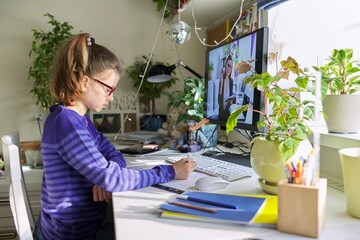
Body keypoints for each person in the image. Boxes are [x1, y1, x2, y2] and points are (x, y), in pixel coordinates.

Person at [33, 33, 197, 240]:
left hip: (79, 228)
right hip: (70, 235)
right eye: (108, 89)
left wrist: (103, 178)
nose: (111, 97)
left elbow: (112, 153)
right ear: (84, 82)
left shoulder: (82, 122)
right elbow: (112, 178)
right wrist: (170, 171)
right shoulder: (66, 123)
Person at [218, 54, 235, 119]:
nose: (229, 68)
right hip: (221, 109)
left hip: (227, 109)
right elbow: (219, 96)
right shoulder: (221, 78)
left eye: (231, 66)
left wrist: (231, 101)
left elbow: (230, 95)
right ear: (225, 65)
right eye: (228, 65)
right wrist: (222, 83)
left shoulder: (231, 80)